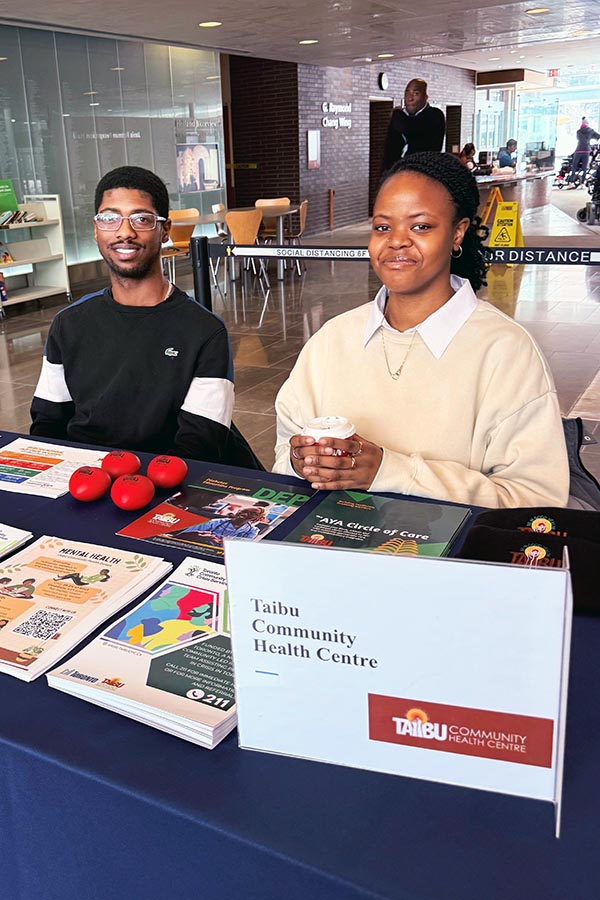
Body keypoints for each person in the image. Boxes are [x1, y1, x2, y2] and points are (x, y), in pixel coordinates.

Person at [273, 151, 569, 509]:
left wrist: (389, 470)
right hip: (332, 548)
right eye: (383, 227)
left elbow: (536, 501)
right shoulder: (332, 340)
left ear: (458, 232)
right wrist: (300, 460)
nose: (396, 241)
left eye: (420, 226)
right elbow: (286, 447)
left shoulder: (505, 351)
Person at [30, 166, 235, 461]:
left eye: (141, 219)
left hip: (162, 485)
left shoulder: (205, 331)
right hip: (82, 480)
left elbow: (200, 445)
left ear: (165, 230)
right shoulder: (69, 323)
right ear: (96, 229)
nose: (124, 232)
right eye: (110, 218)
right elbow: (48, 424)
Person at [381, 79, 445, 171]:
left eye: (416, 94)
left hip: (422, 172)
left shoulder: (435, 115)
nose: (410, 98)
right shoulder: (400, 117)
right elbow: (389, 150)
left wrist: (398, 116)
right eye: (407, 93)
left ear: (425, 97)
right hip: (396, 174)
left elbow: (412, 131)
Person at [169, 507, 265, 546]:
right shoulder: (216, 522)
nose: (245, 513)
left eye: (251, 513)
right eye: (244, 510)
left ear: (255, 519)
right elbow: (186, 534)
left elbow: (241, 546)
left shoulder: (252, 531)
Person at [567, 116, 600, 188]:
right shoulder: (591, 131)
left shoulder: (578, 132)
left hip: (578, 150)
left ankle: (572, 183)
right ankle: (582, 184)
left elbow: (578, 139)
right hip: (586, 151)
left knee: (574, 167)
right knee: (584, 168)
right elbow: (598, 136)